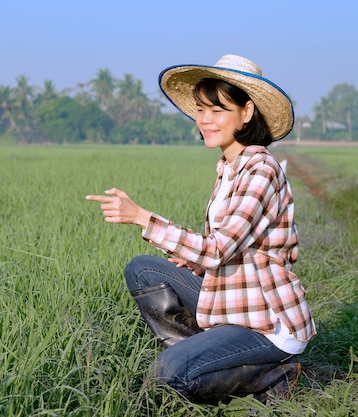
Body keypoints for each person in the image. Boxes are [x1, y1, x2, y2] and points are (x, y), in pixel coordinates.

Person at [86, 54, 316, 404]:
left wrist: (142, 218)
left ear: (247, 111)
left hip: (267, 324)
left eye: (218, 110)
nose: (205, 120)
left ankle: (272, 374)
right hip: (235, 302)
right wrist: (196, 262)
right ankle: (204, 354)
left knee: (167, 374)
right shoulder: (229, 167)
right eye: (201, 110)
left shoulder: (261, 169)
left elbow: (218, 249)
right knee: (144, 270)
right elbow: (225, 248)